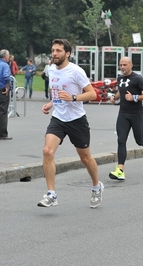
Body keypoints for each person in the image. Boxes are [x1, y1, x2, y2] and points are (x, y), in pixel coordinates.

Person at [38, 39, 104, 208]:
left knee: (85, 158)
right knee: (47, 151)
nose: (54, 54)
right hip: (58, 118)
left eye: (58, 50)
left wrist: (73, 97)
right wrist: (51, 104)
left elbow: (92, 95)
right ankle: (51, 194)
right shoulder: (51, 69)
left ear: (67, 53)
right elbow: (56, 92)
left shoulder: (76, 71)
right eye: (53, 50)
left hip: (76, 120)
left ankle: (97, 186)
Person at [109, 57, 143, 180]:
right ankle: (120, 170)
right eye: (121, 65)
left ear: (131, 65)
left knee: (139, 140)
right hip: (123, 114)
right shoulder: (120, 78)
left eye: (125, 64)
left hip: (137, 115)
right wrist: (115, 98)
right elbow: (121, 90)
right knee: (121, 140)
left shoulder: (138, 79)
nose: (122, 67)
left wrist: (135, 97)